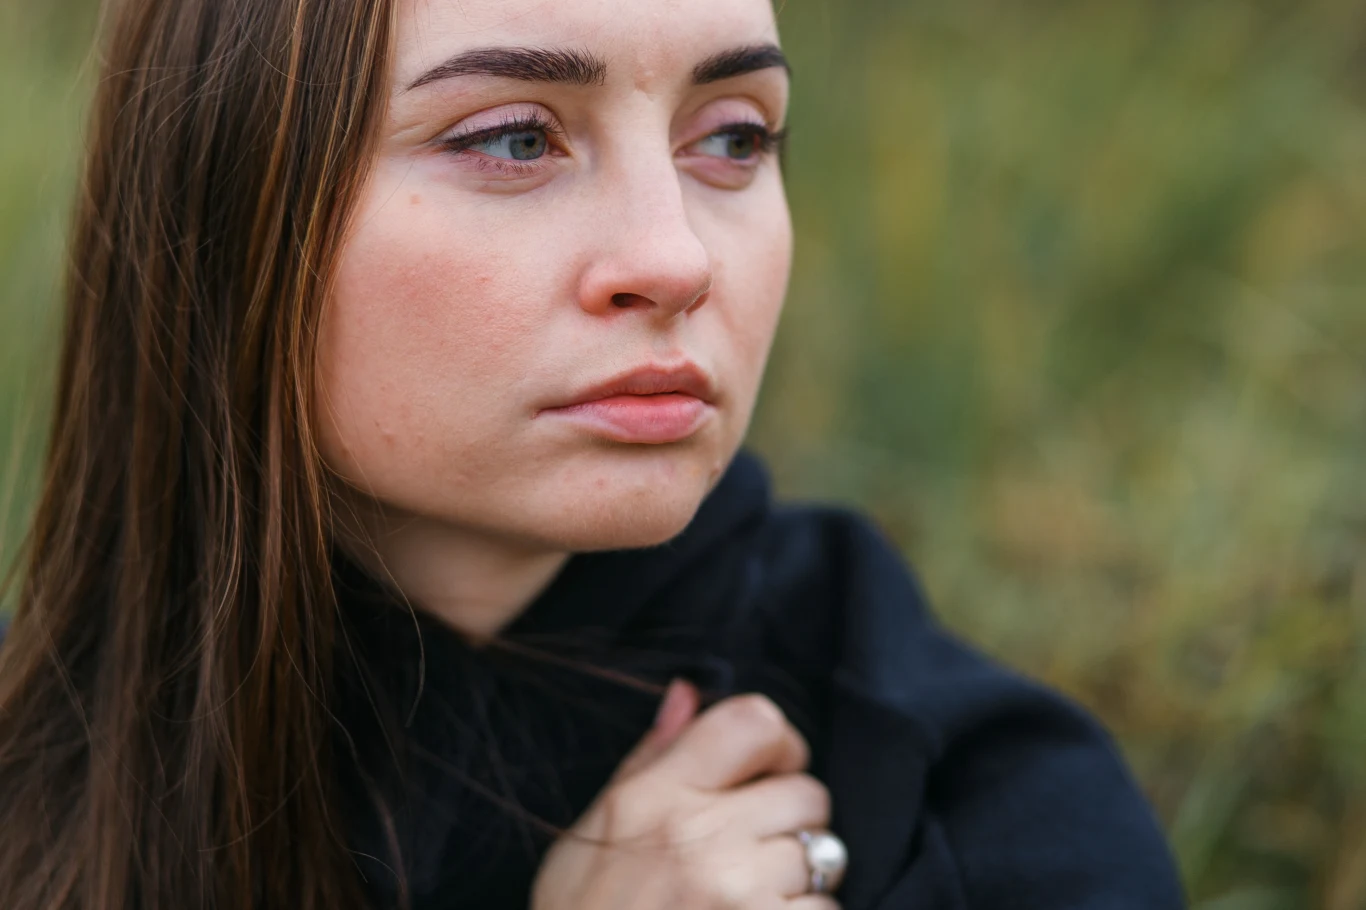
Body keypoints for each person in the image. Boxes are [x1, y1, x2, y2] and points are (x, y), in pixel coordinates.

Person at [0, 0, 1186, 908]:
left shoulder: (981, 811)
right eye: (515, 137)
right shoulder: (32, 761)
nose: (676, 259)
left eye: (730, 137)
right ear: (224, 204)